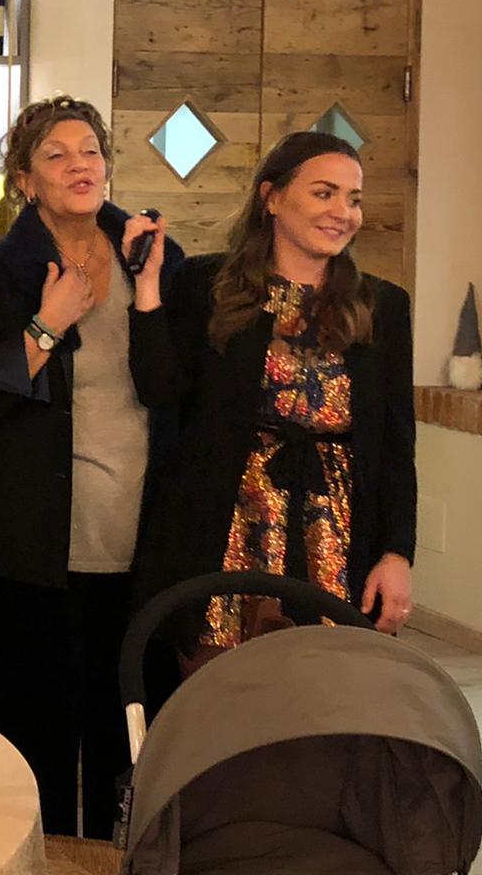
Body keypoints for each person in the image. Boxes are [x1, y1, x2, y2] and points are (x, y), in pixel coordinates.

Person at [0, 95, 184, 840]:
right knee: (29, 738)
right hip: (25, 546)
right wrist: (46, 326)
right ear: (24, 180)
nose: (80, 166)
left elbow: (170, 389)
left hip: (136, 540)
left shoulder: (157, 258)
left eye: (91, 151)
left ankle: (118, 858)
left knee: (127, 738)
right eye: (56, 155)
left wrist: (147, 292)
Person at [128, 130, 416, 652]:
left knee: (330, 680)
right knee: (219, 683)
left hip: (338, 532)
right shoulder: (207, 284)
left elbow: (396, 446)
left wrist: (397, 554)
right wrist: (147, 289)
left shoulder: (382, 306)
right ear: (273, 197)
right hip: (224, 527)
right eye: (324, 193)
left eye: (353, 198)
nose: (343, 213)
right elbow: (158, 389)